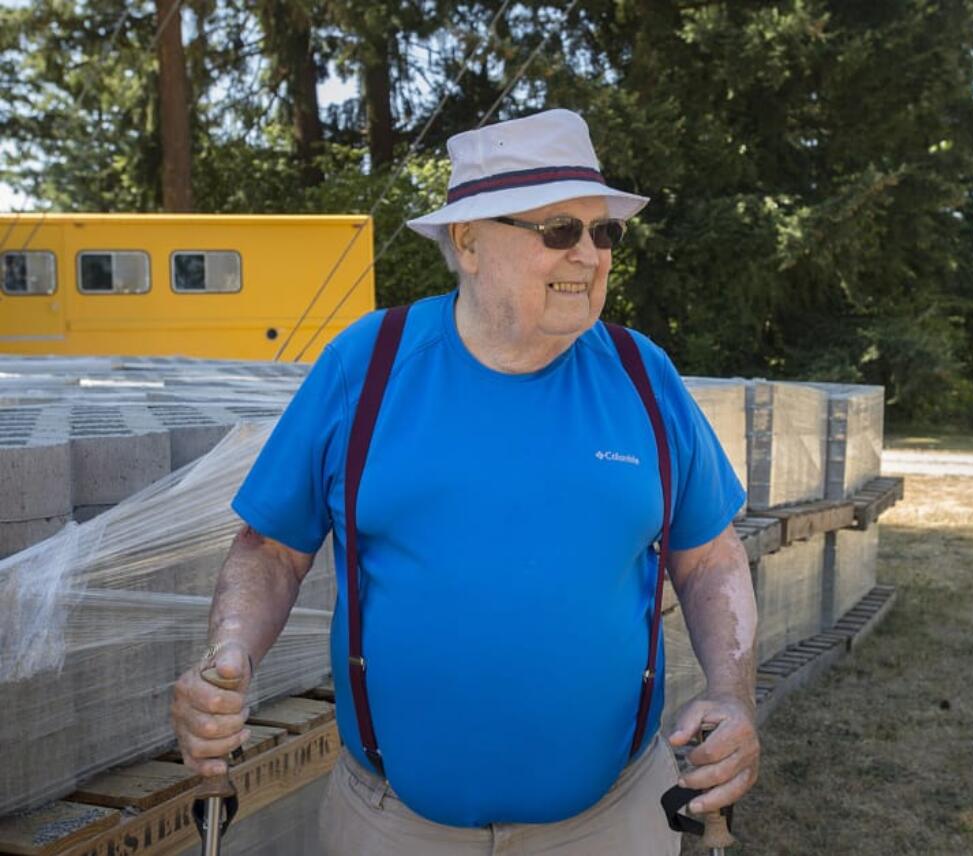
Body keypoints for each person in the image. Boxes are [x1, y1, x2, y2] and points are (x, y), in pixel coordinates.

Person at [170, 108, 760, 855]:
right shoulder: (368, 366)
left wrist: (733, 694)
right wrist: (228, 657)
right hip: (391, 826)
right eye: (558, 230)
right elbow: (270, 549)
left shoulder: (644, 376)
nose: (590, 254)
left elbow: (709, 557)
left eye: (603, 231)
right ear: (469, 241)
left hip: (612, 822)